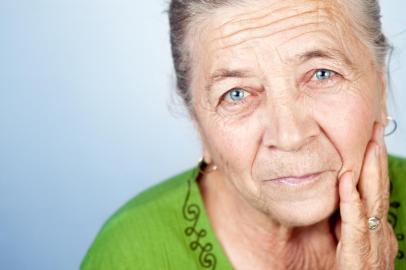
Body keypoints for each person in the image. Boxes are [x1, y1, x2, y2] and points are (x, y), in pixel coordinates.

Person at [81, 0, 406, 269]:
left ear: (378, 88)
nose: (290, 136)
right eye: (236, 94)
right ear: (199, 126)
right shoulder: (130, 253)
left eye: (321, 74)